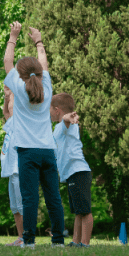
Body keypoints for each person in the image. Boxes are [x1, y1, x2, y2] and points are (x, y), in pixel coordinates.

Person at [3, 21, 65, 248]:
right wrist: (39, 41)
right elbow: (45, 64)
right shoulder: (47, 89)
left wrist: (13, 36)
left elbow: (7, 62)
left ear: (20, 76)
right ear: (39, 73)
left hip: (27, 152)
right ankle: (58, 241)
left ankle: (28, 242)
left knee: (29, 199)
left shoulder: (19, 90)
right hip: (48, 151)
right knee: (53, 199)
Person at [50, 93, 90, 247]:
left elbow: (66, 120)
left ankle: (85, 243)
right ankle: (75, 241)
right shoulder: (58, 128)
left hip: (78, 171)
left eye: (50, 110)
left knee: (85, 210)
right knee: (78, 211)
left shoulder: (66, 125)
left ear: (57, 110)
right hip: (71, 174)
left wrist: (68, 117)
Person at [0, 87, 24, 246]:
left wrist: (13, 92)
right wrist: (6, 97)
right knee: (14, 207)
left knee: (21, 206)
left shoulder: (21, 122)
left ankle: (28, 237)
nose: (9, 108)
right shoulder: (10, 124)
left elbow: (12, 110)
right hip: (11, 171)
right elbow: (6, 112)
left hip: (19, 169)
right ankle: (21, 237)